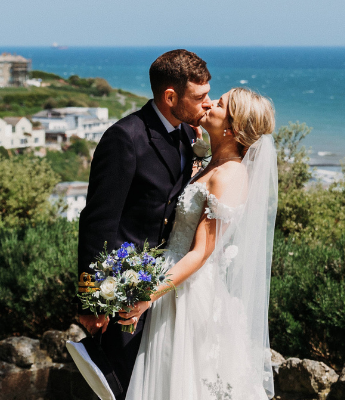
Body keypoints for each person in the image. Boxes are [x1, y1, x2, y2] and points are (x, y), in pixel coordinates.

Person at [119, 87, 279, 399]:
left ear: (232, 127)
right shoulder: (210, 163)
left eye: (220, 104)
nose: (209, 102)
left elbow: (201, 253)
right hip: (172, 276)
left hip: (187, 290)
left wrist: (147, 296)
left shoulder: (230, 176)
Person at [75, 49, 212, 398]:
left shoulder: (187, 135)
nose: (207, 104)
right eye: (199, 96)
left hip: (163, 288)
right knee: (120, 386)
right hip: (123, 290)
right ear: (170, 97)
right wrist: (92, 302)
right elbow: (97, 222)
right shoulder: (125, 138)